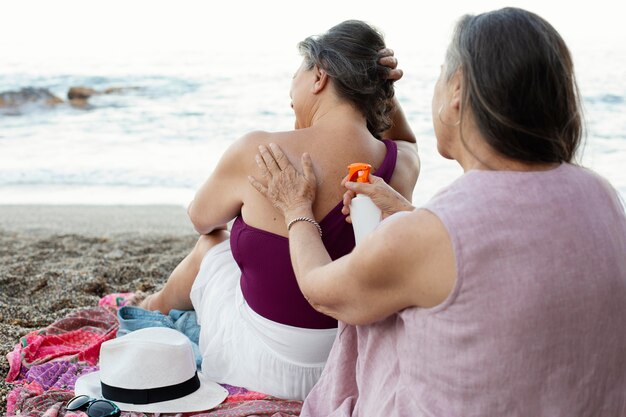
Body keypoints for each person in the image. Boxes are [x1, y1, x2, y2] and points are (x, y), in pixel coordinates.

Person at [250, 7, 626, 416]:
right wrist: (408, 212)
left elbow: (322, 290)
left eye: (442, 74)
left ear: (458, 90)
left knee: (373, 317)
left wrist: (295, 208)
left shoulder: (434, 233)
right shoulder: (601, 194)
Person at [133, 19, 420, 401]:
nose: (291, 93)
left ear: (320, 76)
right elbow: (404, 140)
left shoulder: (257, 150)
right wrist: (382, 89)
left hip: (267, 365)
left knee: (212, 244)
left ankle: (151, 308)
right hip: (348, 360)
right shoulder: (398, 164)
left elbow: (201, 218)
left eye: (297, 76)